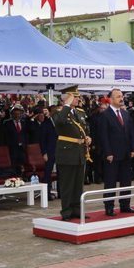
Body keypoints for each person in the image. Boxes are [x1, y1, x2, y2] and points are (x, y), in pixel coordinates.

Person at [53, 87, 91, 220]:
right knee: (67, 184)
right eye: (75, 97)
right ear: (67, 98)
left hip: (79, 152)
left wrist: (88, 137)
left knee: (78, 184)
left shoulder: (79, 112)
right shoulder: (59, 112)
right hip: (67, 153)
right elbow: (60, 122)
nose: (78, 99)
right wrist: (67, 105)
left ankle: (77, 210)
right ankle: (66, 211)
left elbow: (84, 128)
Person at [98, 88, 134, 216]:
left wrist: (133, 148)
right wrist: (108, 153)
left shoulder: (126, 114)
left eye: (121, 96)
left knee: (126, 180)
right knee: (110, 181)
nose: (121, 98)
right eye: (117, 96)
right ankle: (109, 206)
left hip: (126, 153)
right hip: (113, 155)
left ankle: (125, 205)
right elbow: (103, 136)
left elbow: (131, 133)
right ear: (110, 99)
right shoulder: (105, 115)